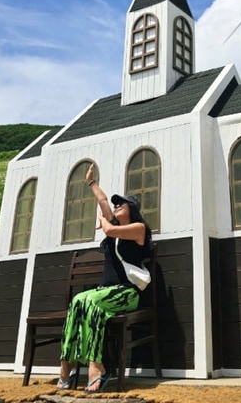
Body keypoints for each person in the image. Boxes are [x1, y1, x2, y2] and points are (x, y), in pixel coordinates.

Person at [57, 164, 152, 393]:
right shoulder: (114, 231)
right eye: (116, 203)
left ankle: (96, 367)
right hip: (105, 292)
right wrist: (91, 182)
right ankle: (65, 367)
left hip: (128, 293)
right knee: (78, 301)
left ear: (133, 209)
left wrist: (104, 222)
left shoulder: (139, 229)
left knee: (91, 303)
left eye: (122, 203)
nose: (116, 205)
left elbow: (109, 230)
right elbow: (103, 201)